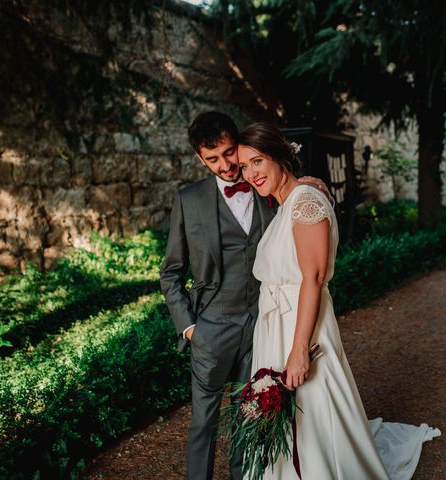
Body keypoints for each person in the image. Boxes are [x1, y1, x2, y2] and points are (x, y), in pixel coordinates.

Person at [237, 122, 441, 480]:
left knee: (314, 410)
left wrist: (299, 349)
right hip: (276, 325)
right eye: (244, 166)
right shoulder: (288, 202)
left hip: (300, 327)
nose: (250, 173)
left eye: (257, 161)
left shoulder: (304, 202)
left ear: (279, 157)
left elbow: (313, 279)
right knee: (291, 417)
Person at [160, 112, 328, 480]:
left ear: (238, 146)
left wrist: (310, 184)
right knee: (204, 422)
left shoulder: (262, 183)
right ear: (200, 160)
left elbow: (297, 202)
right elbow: (170, 271)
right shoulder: (189, 200)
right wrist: (189, 328)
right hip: (210, 329)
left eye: (228, 153)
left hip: (262, 329)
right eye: (212, 159)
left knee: (248, 416)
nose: (226, 166)